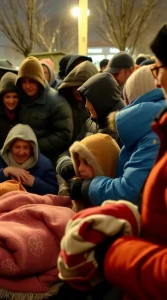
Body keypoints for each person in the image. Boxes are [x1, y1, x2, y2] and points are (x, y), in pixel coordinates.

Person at [59, 24, 167, 300]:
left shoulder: (145, 133)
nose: (159, 80)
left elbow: (131, 190)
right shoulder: (151, 129)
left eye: (160, 68)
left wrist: (113, 252)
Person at [67, 63, 165, 208]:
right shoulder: (147, 126)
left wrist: (87, 187)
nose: (86, 105)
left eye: (89, 99)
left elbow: (129, 191)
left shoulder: (150, 132)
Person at [16, 56, 74, 164]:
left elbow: (64, 135)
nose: (27, 86)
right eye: (24, 81)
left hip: (48, 160)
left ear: (39, 80)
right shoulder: (22, 99)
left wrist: (34, 145)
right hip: (24, 158)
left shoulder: (56, 102)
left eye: (32, 81)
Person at [0, 124, 59, 195]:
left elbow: (54, 191)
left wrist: (33, 182)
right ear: (10, 147)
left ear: (32, 149)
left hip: (33, 204)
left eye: (26, 148)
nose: (21, 152)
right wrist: (6, 171)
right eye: (17, 147)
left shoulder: (44, 164)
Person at [63, 133, 120, 211]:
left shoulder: (114, 210)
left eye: (87, 163)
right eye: (78, 162)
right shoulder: (75, 196)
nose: (80, 169)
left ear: (105, 166)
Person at [58, 60, 99, 142]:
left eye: (83, 87)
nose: (78, 90)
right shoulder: (61, 103)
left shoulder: (99, 109)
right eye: (75, 86)